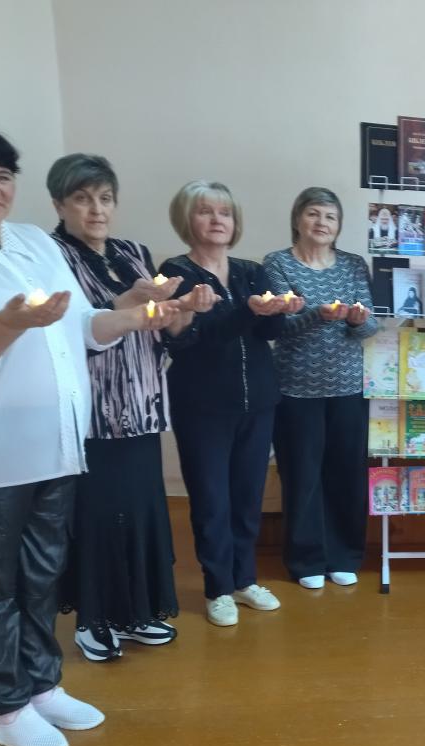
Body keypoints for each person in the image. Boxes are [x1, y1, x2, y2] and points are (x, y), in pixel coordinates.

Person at [0, 121, 174, 746]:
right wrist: (8, 324)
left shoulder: (34, 241)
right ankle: (7, 708)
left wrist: (141, 316)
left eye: (2, 177)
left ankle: (42, 686)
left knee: (40, 578)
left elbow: (82, 327)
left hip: (56, 445)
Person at [47, 153, 216, 661]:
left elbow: (167, 336)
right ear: (59, 204)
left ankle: (138, 612)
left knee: (142, 513)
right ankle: (94, 621)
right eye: (82, 199)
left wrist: (183, 312)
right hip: (92, 412)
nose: (96, 209)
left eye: (105, 198)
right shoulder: (51, 256)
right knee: (98, 517)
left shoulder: (133, 252)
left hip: (142, 404)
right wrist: (129, 302)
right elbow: (68, 332)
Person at [159, 181, 302, 627]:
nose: (217, 219)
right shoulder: (173, 272)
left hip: (258, 401)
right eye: (205, 211)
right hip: (202, 406)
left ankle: (244, 579)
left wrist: (280, 312)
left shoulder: (250, 270)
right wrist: (249, 312)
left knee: (247, 497)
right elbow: (186, 340)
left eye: (224, 212)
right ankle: (218, 586)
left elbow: (269, 335)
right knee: (211, 500)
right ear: (187, 219)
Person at [264, 188, 377, 590]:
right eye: (313, 214)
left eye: (330, 217)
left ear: (339, 225)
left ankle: (344, 555)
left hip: (348, 386)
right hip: (295, 389)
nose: (322, 223)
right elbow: (277, 327)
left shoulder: (353, 264)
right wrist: (319, 315)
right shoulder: (277, 263)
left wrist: (356, 320)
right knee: (302, 475)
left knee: (346, 474)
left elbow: (370, 326)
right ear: (297, 219)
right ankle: (306, 559)